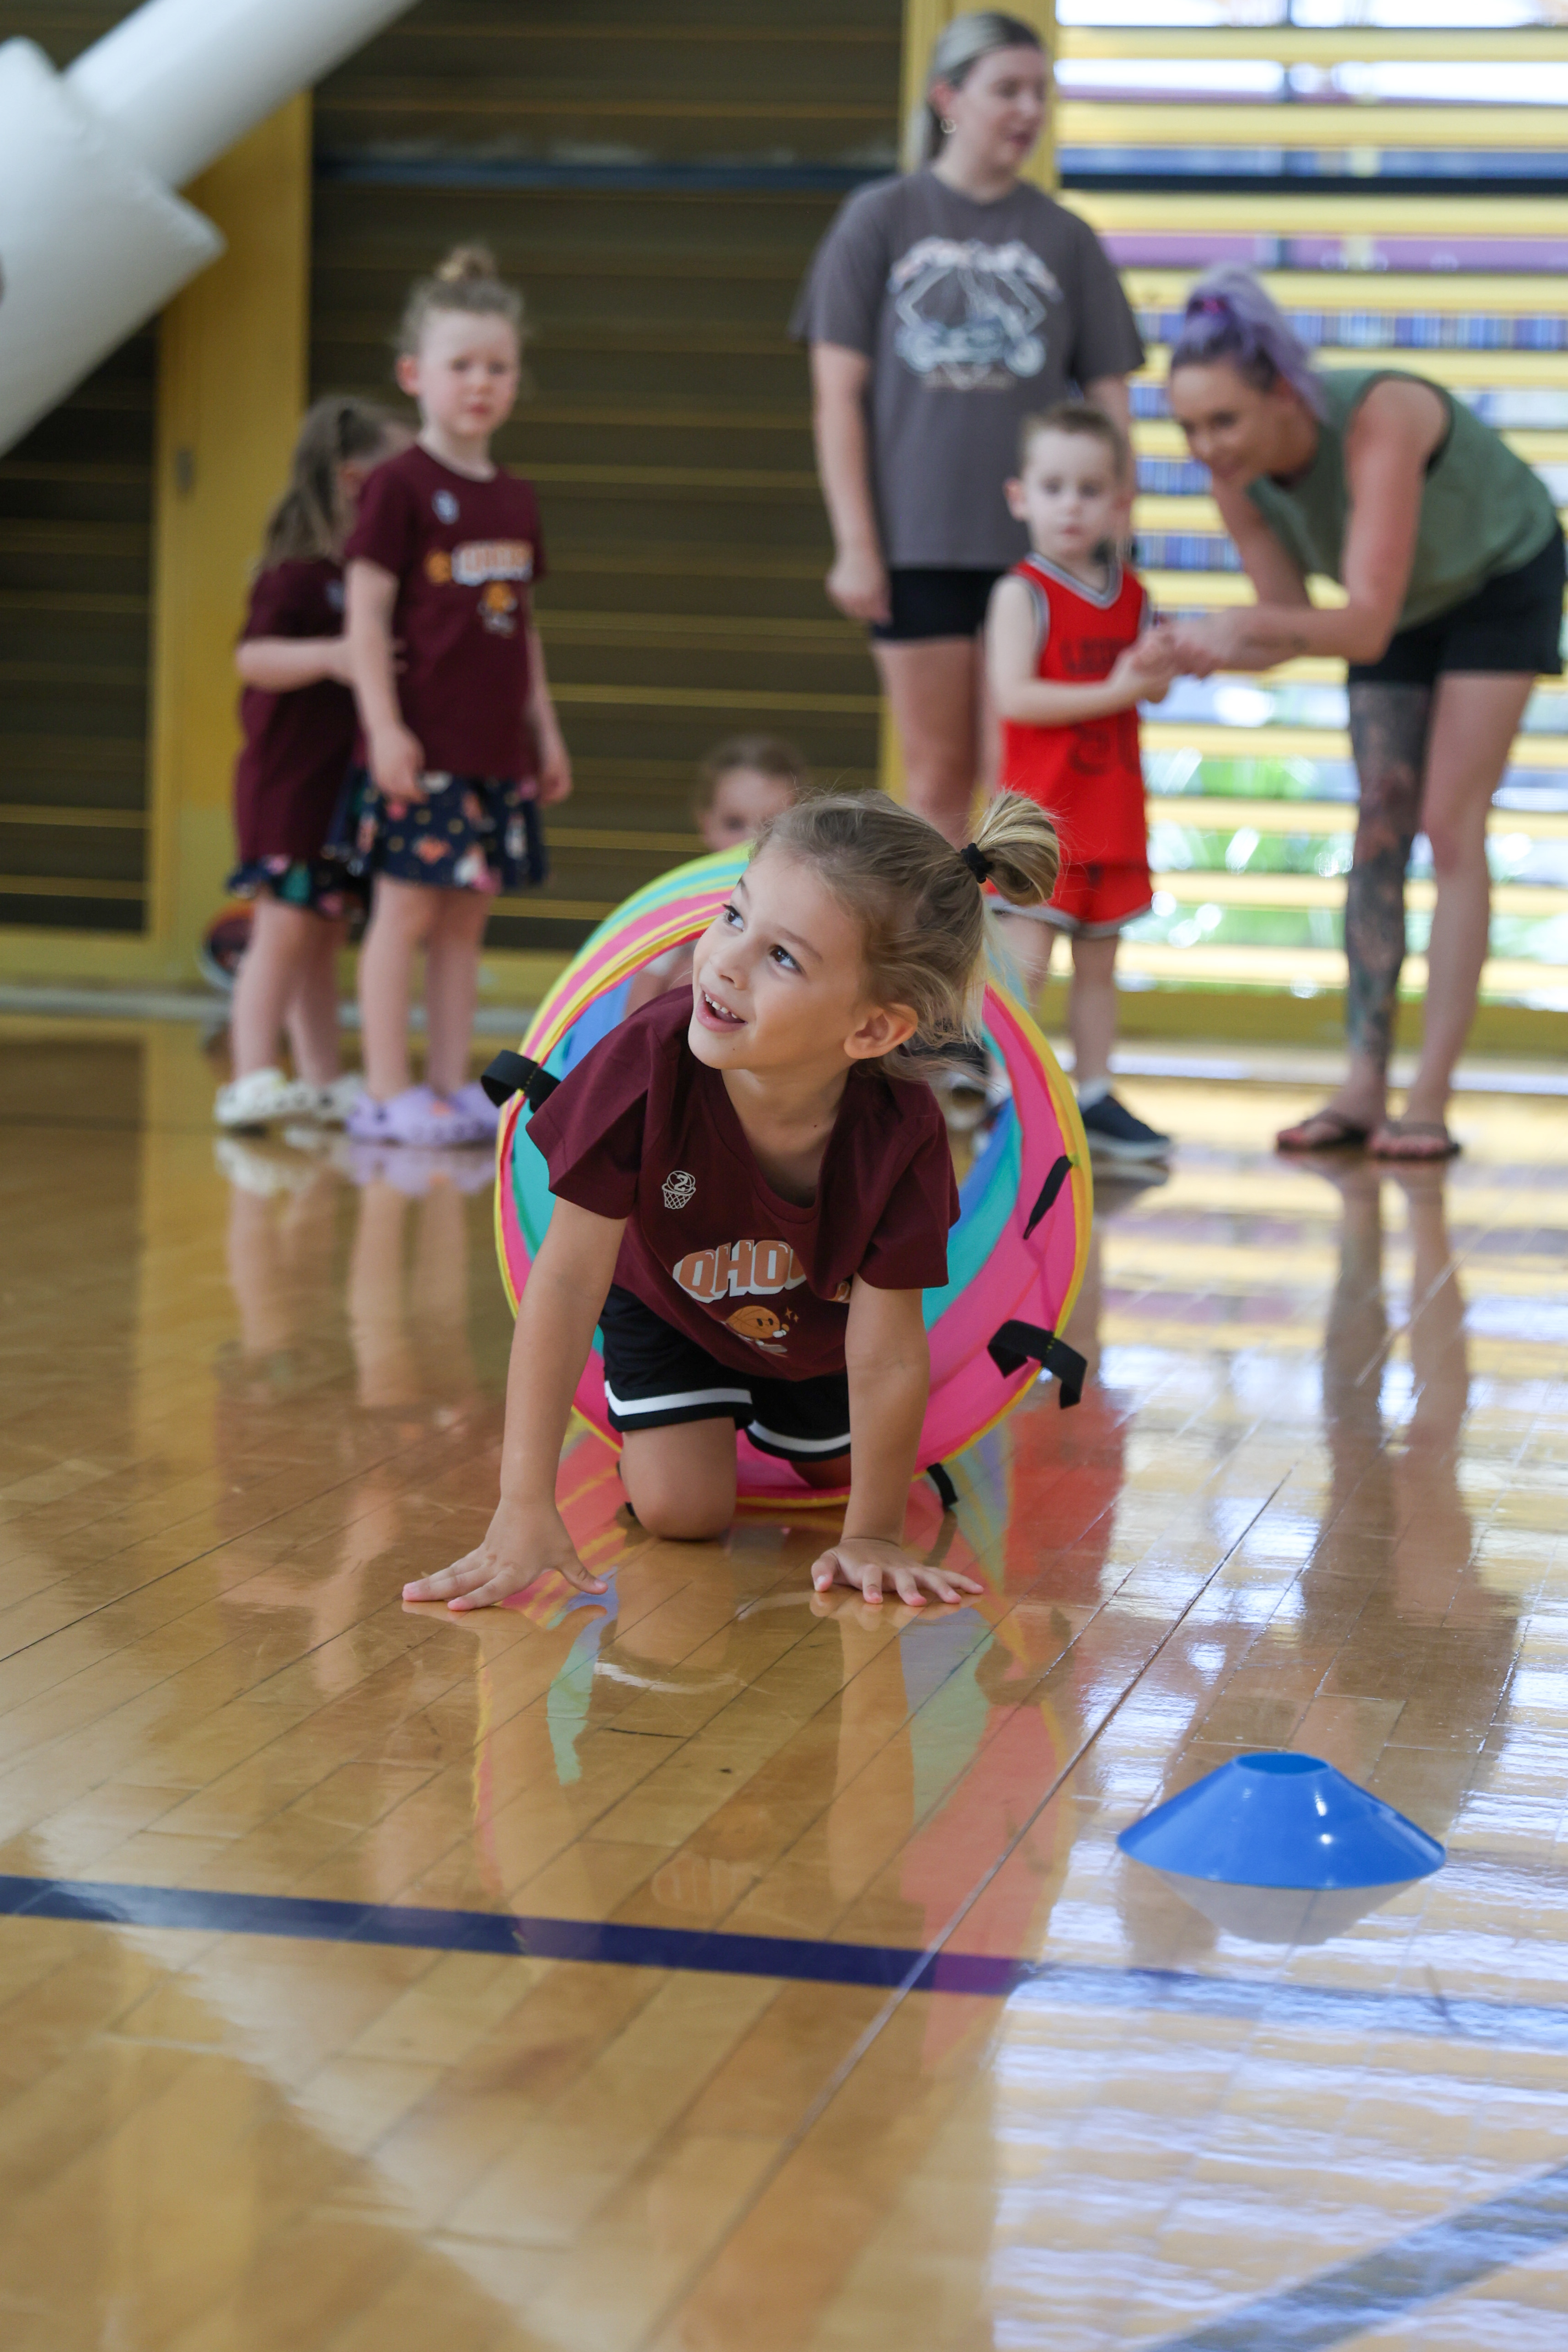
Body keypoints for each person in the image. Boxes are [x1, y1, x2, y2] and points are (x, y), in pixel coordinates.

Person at [401, 788, 1060, 1615]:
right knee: (685, 1512)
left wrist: (872, 1531)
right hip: (666, 1310)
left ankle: (797, 1441)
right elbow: (566, 1283)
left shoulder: (898, 1131)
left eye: (782, 957)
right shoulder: (643, 1058)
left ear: (869, 1030)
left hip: (811, 1332)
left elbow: (889, 1350)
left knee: (842, 1475)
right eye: (732, 915)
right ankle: (671, 1422)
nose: (725, 961)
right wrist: (522, 1499)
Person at [1164, 268, 1565, 1162]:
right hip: (1393, 609)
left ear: (1280, 392)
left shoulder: (1376, 420)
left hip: (1498, 577)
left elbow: (1357, 620)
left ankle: (1427, 1097)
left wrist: (1243, 626)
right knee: (1378, 822)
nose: (1204, 446)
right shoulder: (1236, 481)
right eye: (1187, 426)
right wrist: (1196, 645)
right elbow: (1287, 625)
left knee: (1445, 824)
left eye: (1221, 421)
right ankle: (1360, 1083)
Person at [791, 10, 1143, 846]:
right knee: (938, 777)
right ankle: (935, 977)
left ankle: (1007, 973)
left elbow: (1109, 402)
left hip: (1037, 558)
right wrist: (855, 541)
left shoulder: (1065, 238)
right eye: (1007, 91)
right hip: (916, 545)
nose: (1027, 110)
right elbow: (835, 396)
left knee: (1023, 778)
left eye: (1039, 92)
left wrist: (1115, 539)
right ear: (949, 98)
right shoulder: (877, 218)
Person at [336, 245, 573, 1149]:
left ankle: (449, 1084)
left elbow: (524, 627)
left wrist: (543, 731)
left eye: (498, 366)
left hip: (495, 751)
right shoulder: (400, 488)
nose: (480, 383)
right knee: (405, 912)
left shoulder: (514, 497)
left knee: (466, 920)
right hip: (421, 747)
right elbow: (366, 613)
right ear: (414, 375)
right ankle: (385, 1089)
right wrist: (384, 727)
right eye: (461, 365)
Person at [985, 402, 1178, 1163]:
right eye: (1054, 485)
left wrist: (1162, 666)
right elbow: (1016, 697)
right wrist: (1123, 685)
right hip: (1037, 822)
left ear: (1120, 500)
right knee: (1022, 965)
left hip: (1112, 814)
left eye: (1090, 488)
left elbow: (1149, 690)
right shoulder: (1018, 593)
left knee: (1100, 967)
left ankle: (1094, 1093)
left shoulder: (1134, 593)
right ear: (1019, 496)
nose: (1071, 504)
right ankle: (1007, 1093)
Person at [214, 397, 405, 1132]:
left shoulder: (364, 577)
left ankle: (325, 1077)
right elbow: (251, 657)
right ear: (356, 481)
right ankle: (251, 1073)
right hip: (286, 787)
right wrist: (336, 656)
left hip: (336, 790)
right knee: (285, 927)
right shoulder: (296, 576)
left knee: (323, 932)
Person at [625, 734, 808, 1015]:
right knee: (686, 974)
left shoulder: (806, 907)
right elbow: (639, 1006)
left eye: (772, 826)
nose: (751, 844)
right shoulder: (685, 900)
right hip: (694, 1041)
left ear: (800, 829)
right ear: (706, 823)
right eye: (734, 824)